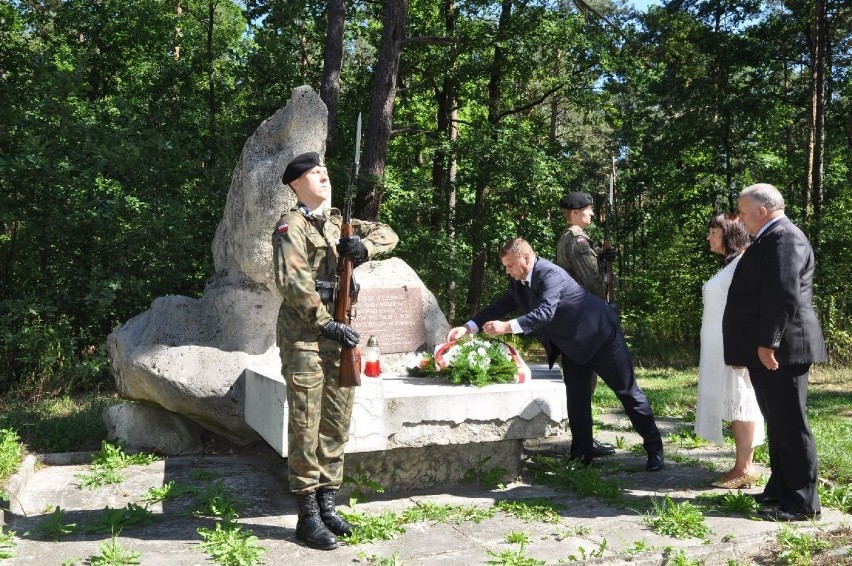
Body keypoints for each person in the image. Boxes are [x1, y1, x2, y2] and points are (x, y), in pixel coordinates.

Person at [447, 237, 664, 471]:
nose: (508, 271)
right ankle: (582, 457)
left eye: (510, 265)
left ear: (526, 258)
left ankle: (655, 449)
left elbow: (543, 313)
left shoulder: (551, 274)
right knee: (577, 400)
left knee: (628, 393)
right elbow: (498, 306)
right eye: (505, 266)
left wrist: (507, 327)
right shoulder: (519, 283)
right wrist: (468, 327)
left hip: (602, 338)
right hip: (572, 345)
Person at [273, 152, 399, 549]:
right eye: (314, 173)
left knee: (336, 420)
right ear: (296, 184)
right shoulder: (288, 225)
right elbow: (293, 282)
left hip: (339, 334)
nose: (323, 175)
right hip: (306, 336)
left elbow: (389, 233)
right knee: (306, 424)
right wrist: (326, 322)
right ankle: (306, 514)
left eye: (325, 170)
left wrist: (362, 248)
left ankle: (328, 503)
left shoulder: (336, 224)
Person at [723, 183, 826, 522]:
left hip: (783, 349)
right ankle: (781, 490)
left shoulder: (785, 237)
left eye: (743, 211)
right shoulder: (769, 238)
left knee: (791, 425)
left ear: (762, 211)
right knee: (778, 423)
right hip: (771, 349)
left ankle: (802, 503)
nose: (739, 218)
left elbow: (783, 294)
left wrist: (769, 342)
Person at [694, 213, 765, 489]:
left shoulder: (742, 263)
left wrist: (744, 350)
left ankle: (744, 469)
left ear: (729, 233)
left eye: (714, 231)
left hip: (733, 348)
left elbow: (749, 310)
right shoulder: (732, 264)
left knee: (742, 402)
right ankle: (741, 465)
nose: (709, 237)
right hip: (721, 346)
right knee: (735, 403)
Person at [556, 192, 618, 457]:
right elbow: (592, 281)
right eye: (588, 210)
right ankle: (583, 443)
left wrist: (602, 257)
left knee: (582, 383)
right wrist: (605, 272)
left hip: (575, 317)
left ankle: (584, 440)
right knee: (584, 383)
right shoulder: (578, 239)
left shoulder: (570, 237)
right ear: (575, 212)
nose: (592, 214)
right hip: (584, 316)